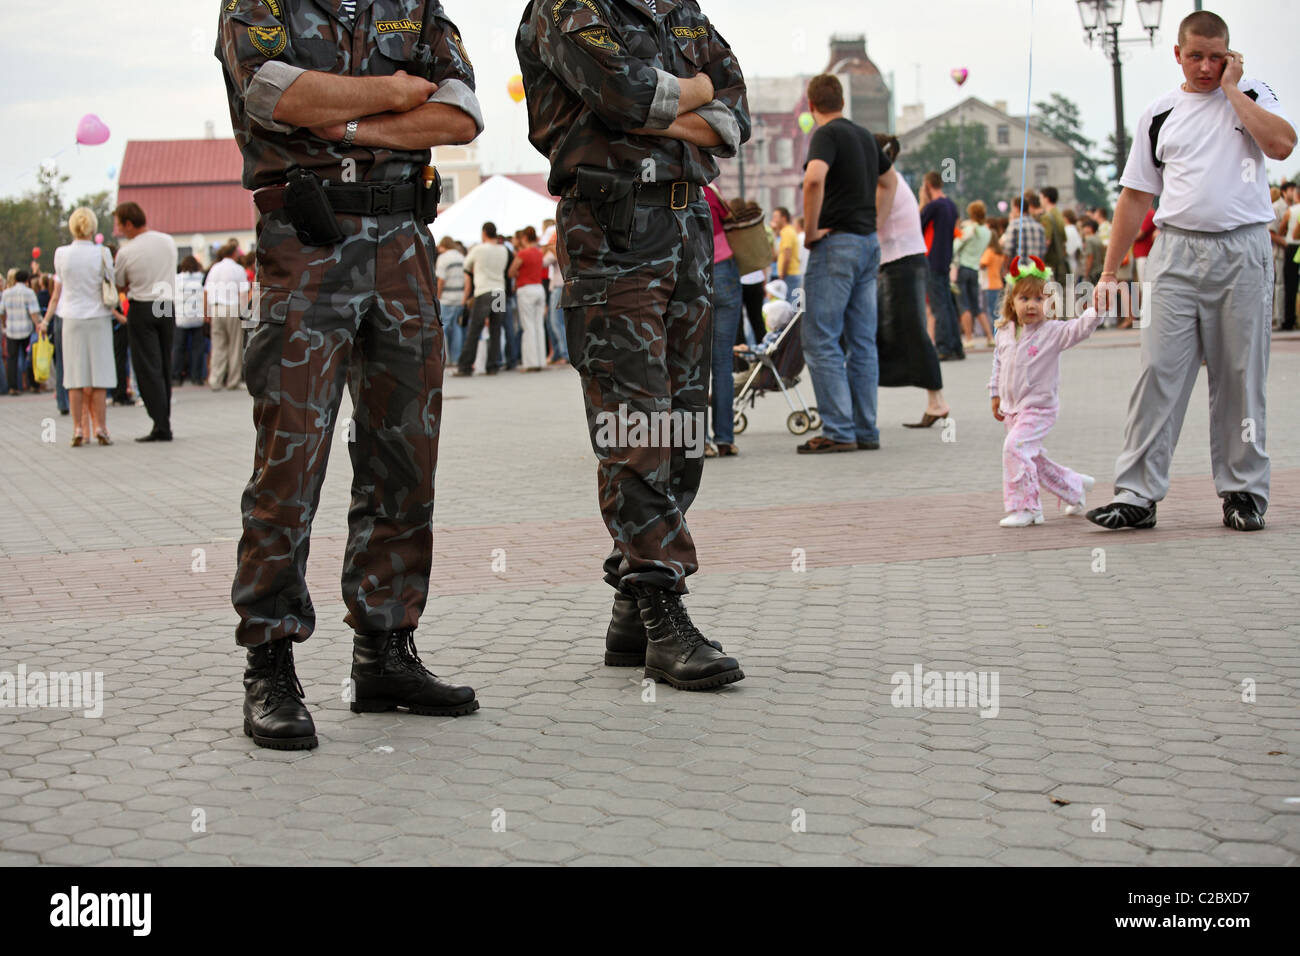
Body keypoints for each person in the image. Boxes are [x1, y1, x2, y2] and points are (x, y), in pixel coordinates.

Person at [217, 0, 485, 750]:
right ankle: (269, 663)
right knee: (290, 459)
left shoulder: (416, 7)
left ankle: (385, 650)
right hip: (308, 244)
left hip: (404, 246)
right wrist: (397, 93)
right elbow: (276, 95)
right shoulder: (258, 4)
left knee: (405, 456)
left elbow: (461, 112)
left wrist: (347, 125)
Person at [518, 0, 749, 689]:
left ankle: (632, 602)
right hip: (612, 231)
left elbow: (734, 103)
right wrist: (675, 101)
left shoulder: (675, 6)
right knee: (636, 422)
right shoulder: (569, 8)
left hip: (685, 226)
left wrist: (657, 109)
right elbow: (626, 93)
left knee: (683, 424)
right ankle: (660, 608)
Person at [1088, 9, 1295, 533]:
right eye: (1196, 55)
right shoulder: (1159, 113)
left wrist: (1232, 91)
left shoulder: (1253, 94)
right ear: (1177, 54)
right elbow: (1135, 196)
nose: (1206, 66)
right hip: (1174, 253)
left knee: (1241, 377)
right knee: (1159, 371)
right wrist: (1110, 272)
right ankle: (1137, 493)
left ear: (1230, 55)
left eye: (1216, 56)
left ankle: (1243, 493)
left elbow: (1281, 145)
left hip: (1243, 250)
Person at [798, 72, 896, 453]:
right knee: (862, 341)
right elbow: (890, 183)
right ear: (842, 101)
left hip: (835, 243)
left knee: (821, 338)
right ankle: (865, 429)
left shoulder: (825, 135)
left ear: (811, 105)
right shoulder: (865, 137)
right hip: (867, 243)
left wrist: (809, 230)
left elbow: (813, 179)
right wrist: (877, 222)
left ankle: (838, 429)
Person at [990, 256, 1102, 527]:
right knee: (1033, 461)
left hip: (1039, 408)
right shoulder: (1004, 330)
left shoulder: (1052, 332)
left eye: (1039, 299)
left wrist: (1097, 309)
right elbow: (998, 362)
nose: (1031, 305)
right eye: (1024, 298)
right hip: (1012, 409)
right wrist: (995, 393)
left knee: (1014, 449)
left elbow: (1079, 329)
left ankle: (1027, 508)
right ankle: (1074, 487)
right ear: (1011, 301)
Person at [872, 133, 948, 426]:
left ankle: (938, 400)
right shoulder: (895, 180)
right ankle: (935, 399)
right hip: (904, 261)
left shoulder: (884, 185)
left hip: (900, 262)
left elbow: (873, 222)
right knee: (905, 332)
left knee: (913, 332)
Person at [43, 208, 118, 445]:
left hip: (71, 318)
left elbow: (57, 293)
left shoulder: (61, 254)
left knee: (74, 377)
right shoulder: (103, 253)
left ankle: (77, 428)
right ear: (93, 227)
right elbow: (110, 283)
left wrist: (45, 320)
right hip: (98, 318)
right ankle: (102, 428)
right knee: (99, 374)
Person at [112, 202, 178, 441]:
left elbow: (120, 283)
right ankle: (165, 418)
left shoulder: (127, 252)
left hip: (142, 306)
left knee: (147, 366)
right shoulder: (167, 241)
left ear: (129, 223)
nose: (119, 230)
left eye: (120, 225)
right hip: (166, 304)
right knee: (163, 364)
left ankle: (161, 423)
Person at [705, 181, 744, 458]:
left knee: (692, 365)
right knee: (722, 364)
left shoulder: (674, 184)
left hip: (694, 273)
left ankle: (699, 442)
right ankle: (725, 439)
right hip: (726, 272)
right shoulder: (710, 186)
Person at [918, 171, 962, 361]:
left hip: (931, 258)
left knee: (938, 305)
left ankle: (943, 346)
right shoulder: (951, 205)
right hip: (945, 257)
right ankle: (956, 346)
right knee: (948, 304)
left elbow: (918, 225)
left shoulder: (934, 207)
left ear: (928, 185)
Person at [456, 223, 508, 376]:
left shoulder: (478, 249)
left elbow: (466, 266)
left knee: (475, 329)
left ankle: (465, 366)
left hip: (484, 290)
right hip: (500, 291)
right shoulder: (503, 249)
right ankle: (493, 365)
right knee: (496, 329)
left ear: (484, 233)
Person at [205, 240, 248, 389]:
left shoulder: (214, 268)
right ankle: (233, 381)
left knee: (218, 346)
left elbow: (206, 291)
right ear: (234, 253)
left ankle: (215, 380)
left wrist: (207, 312)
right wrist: (245, 313)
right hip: (232, 308)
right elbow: (243, 293)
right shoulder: (238, 269)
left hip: (216, 308)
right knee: (234, 346)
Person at [507, 225, 547, 371]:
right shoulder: (539, 252)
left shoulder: (522, 253)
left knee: (528, 326)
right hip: (539, 287)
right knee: (538, 326)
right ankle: (541, 360)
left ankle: (530, 362)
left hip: (526, 289)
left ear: (524, 238)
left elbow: (511, 271)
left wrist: (518, 274)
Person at [954, 200, 993, 347]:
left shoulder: (970, 229)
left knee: (964, 305)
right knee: (976, 306)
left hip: (963, 268)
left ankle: (969, 339)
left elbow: (956, 245)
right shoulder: (987, 232)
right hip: (975, 268)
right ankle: (990, 337)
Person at [2, 270, 41, 396]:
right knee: (29, 357)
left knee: (12, 359)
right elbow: (34, 312)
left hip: (11, 329)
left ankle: (13, 387)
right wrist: (38, 325)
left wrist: (4, 323)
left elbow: (2, 311)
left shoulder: (6, 293)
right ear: (26, 280)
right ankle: (33, 385)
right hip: (26, 329)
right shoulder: (29, 293)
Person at [173, 256, 207, 385]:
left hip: (182, 317)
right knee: (197, 349)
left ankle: (176, 377)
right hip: (198, 317)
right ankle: (196, 377)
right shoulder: (201, 278)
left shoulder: (177, 279)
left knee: (178, 348)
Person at [435, 235, 466, 365]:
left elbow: (441, 279)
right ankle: (456, 357)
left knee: (443, 328)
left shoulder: (443, 258)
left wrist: (437, 296)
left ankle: (444, 358)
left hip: (446, 297)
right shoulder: (461, 257)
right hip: (459, 295)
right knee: (456, 327)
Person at [540, 225, 568, 365]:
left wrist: (549, 247)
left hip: (558, 287)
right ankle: (558, 352)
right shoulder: (561, 248)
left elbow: (543, 262)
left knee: (557, 322)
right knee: (555, 322)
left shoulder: (560, 249)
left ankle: (564, 353)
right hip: (557, 287)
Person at [979, 227, 1006, 346]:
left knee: (992, 312)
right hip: (999, 282)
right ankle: (1001, 334)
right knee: (998, 311)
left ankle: (996, 336)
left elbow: (982, 264)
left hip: (990, 284)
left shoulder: (989, 251)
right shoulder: (1000, 253)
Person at [771, 206, 802, 304]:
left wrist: (782, 275)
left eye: (776, 217)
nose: (773, 220)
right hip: (790, 274)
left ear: (783, 218)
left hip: (789, 274)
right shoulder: (786, 231)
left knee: (789, 306)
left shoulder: (786, 232)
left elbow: (787, 256)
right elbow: (777, 255)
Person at [1038, 186, 1068, 279]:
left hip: (1049, 262)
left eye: (1041, 198)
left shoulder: (1047, 217)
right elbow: (1064, 238)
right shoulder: (1059, 215)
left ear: (1046, 199)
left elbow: (1046, 241)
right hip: (1058, 261)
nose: (1040, 201)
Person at [1282, 180, 1300, 331]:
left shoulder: (1291, 211)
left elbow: (1285, 231)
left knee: (1290, 287)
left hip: (1293, 249)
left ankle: (1289, 320)